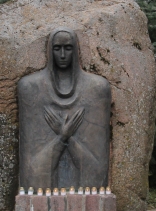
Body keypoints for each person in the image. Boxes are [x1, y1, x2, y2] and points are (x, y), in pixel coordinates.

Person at [18, 27, 111, 189]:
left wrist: (66, 137)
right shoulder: (30, 87)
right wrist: (62, 138)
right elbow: (32, 173)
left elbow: (97, 172)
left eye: (68, 48)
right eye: (57, 48)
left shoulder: (96, 88)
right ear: (49, 50)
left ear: (75, 50)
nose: (62, 55)